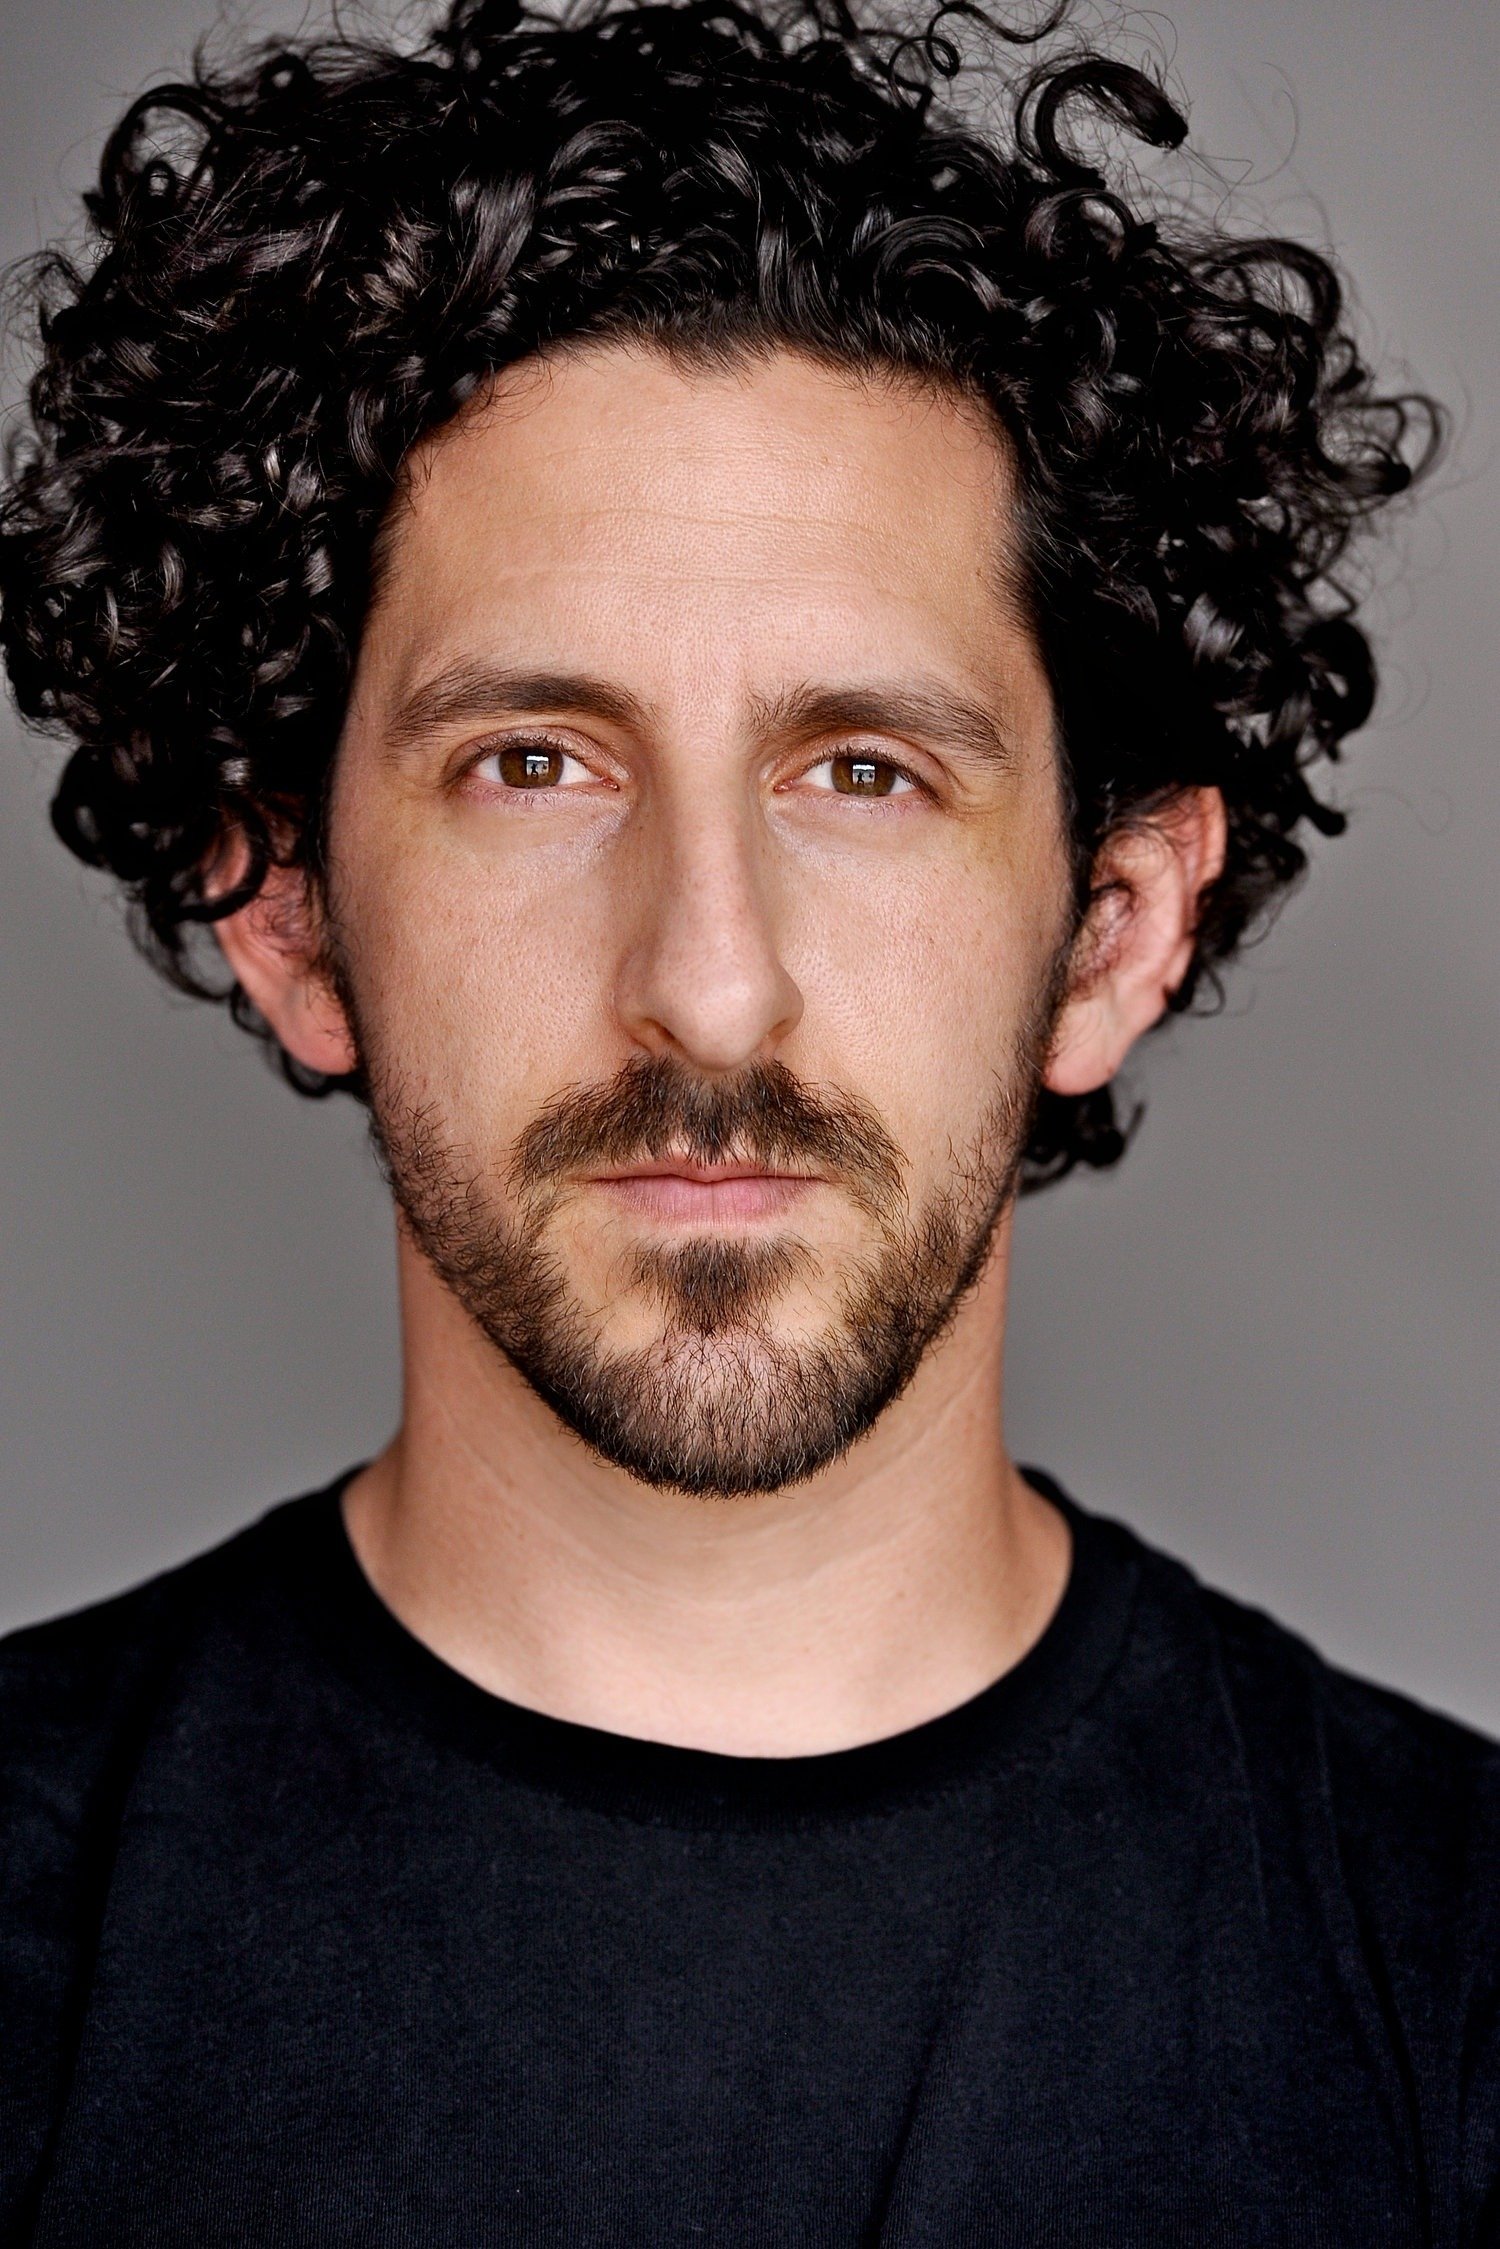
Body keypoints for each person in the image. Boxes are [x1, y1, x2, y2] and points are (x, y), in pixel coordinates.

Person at [0, 0, 1492, 2238]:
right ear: (288, 914)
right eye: (534, 764)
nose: (708, 979)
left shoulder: (1456, 1981)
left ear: (1111, 929)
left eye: (862, 773)